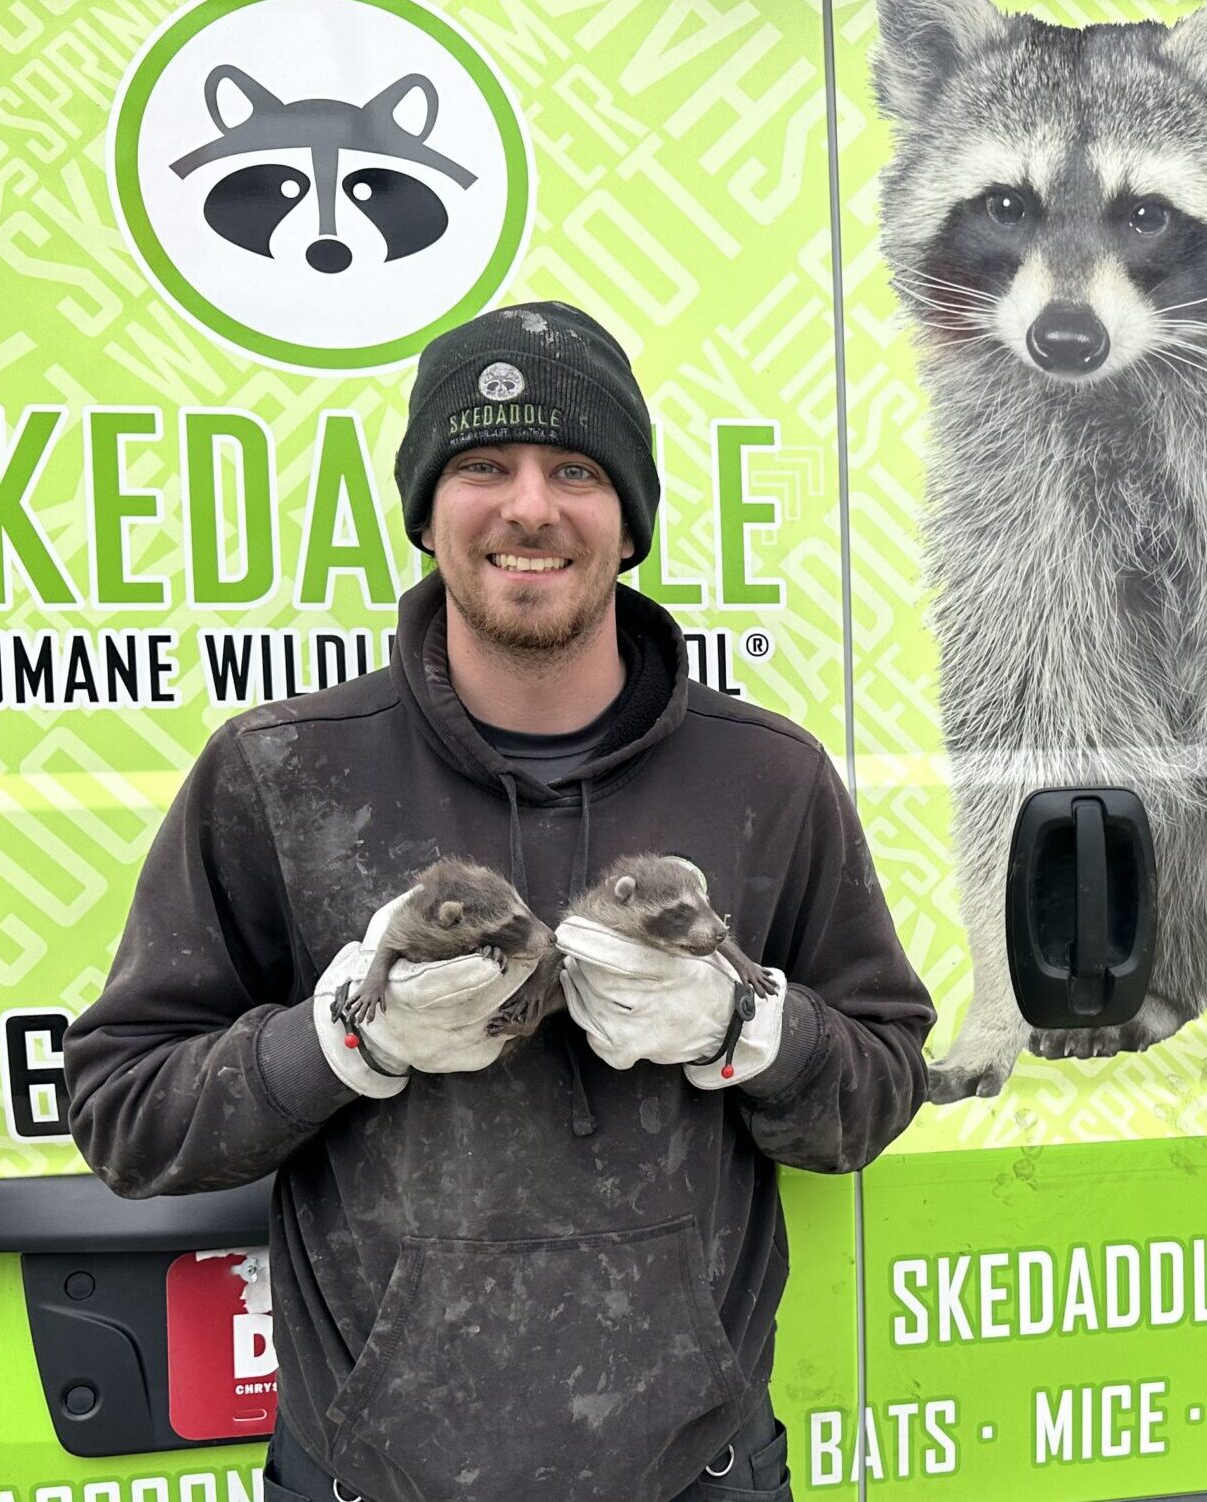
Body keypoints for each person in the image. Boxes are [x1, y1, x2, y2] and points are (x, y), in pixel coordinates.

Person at [64, 301, 935, 1502]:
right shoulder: (284, 773)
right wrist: (339, 1041)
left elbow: (875, 1089)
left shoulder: (765, 778)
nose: (530, 505)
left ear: (628, 523)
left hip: (698, 1475)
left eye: (575, 468)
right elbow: (122, 1110)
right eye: (483, 465)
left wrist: (751, 1030)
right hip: (369, 1480)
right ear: (426, 513)